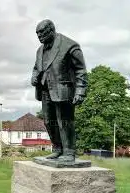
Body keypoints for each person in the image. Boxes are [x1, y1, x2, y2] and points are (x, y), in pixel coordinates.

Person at [31, 19, 88, 162]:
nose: (39, 36)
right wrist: (34, 77)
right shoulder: (40, 50)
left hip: (63, 90)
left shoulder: (70, 45)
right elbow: (37, 67)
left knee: (65, 121)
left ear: (51, 30)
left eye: (42, 33)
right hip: (45, 90)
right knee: (49, 121)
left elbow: (81, 70)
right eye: (37, 34)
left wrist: (80, 91)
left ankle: (69, 152)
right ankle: (57, 149)